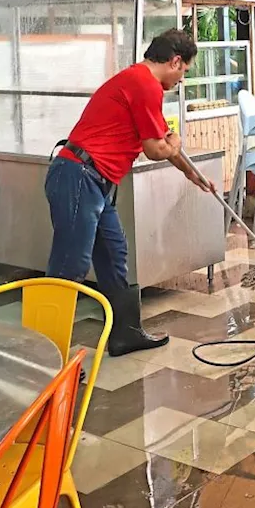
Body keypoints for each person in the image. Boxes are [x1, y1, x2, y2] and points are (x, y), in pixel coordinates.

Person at [45, 29, 215, 357]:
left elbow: (163, 140)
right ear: (175, 61)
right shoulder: (145, 84)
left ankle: (126, 335)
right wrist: (174, 142)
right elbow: (157, 148)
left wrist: (193, 174)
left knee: (113, 252)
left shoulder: (140, 82)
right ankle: (47, 357)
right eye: (185, 71)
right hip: (78, 175)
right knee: (70, 265)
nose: (182, 79)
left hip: (94, 181)